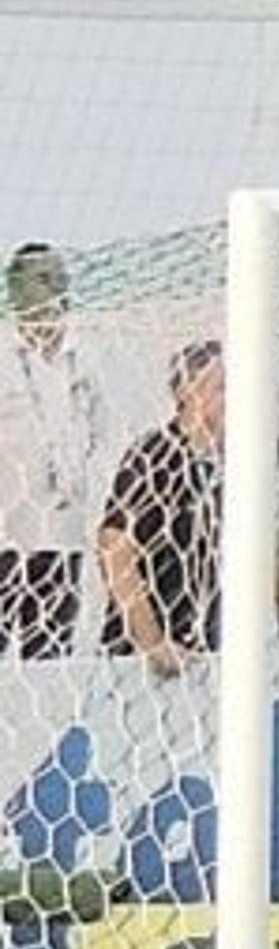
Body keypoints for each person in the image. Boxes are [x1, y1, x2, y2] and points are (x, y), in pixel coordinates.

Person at [98, 340, 279, 674]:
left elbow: (270, 558)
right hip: (140, 664)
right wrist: (152, 642)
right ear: (187, 393)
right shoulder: (156, 458)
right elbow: (114, 548)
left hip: (209, 654)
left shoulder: (237, 466)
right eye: (224, 387)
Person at [0, 241, 110, 658]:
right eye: (45, 279)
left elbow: (99, 434)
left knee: (48, 657)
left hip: (62, 537)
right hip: (7, 534)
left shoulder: (85, 359)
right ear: (16, 291)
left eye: (63, 278)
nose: (59, 288)